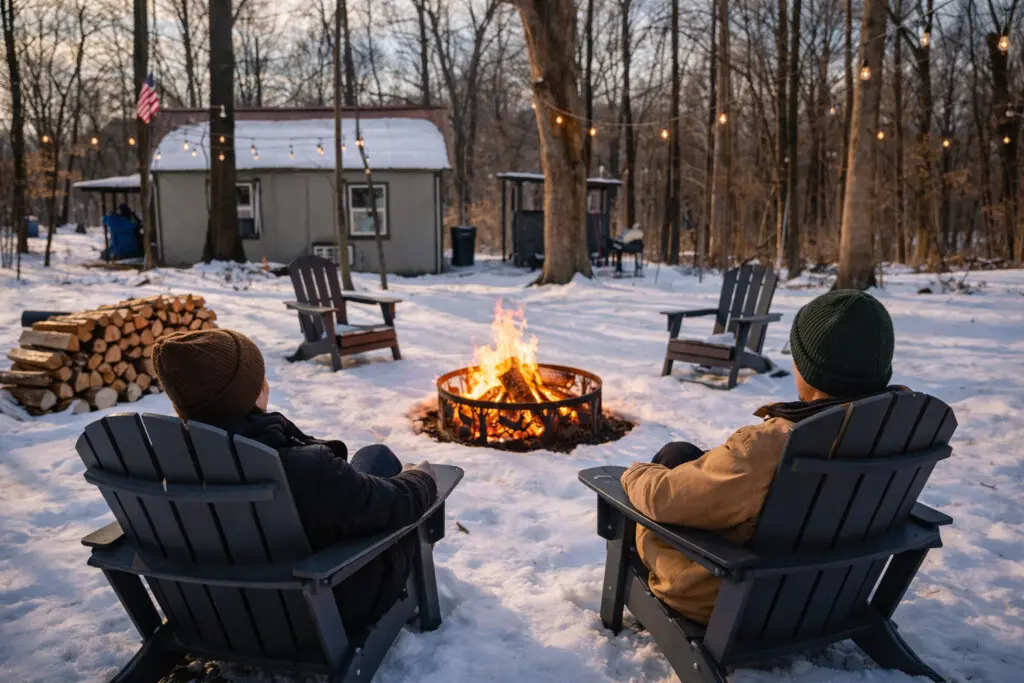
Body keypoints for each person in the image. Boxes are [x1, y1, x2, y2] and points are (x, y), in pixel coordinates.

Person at [621, 289, 899, 624]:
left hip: (735, 596)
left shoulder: (771, 447)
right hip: (833, 590)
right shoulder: (897, 433)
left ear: (808, 368)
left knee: (664, 467)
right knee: (682, 454)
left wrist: (634, 473)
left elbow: (662, 499)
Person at [152, 328, 438, 631]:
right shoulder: (299, 468)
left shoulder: (169, 469)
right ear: (245, 395)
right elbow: (395, 504)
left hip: (217, 607)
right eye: (257, 378)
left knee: (374, 455)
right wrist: (422, 478)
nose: (266, 382)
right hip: (322, 603)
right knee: (384, 469)